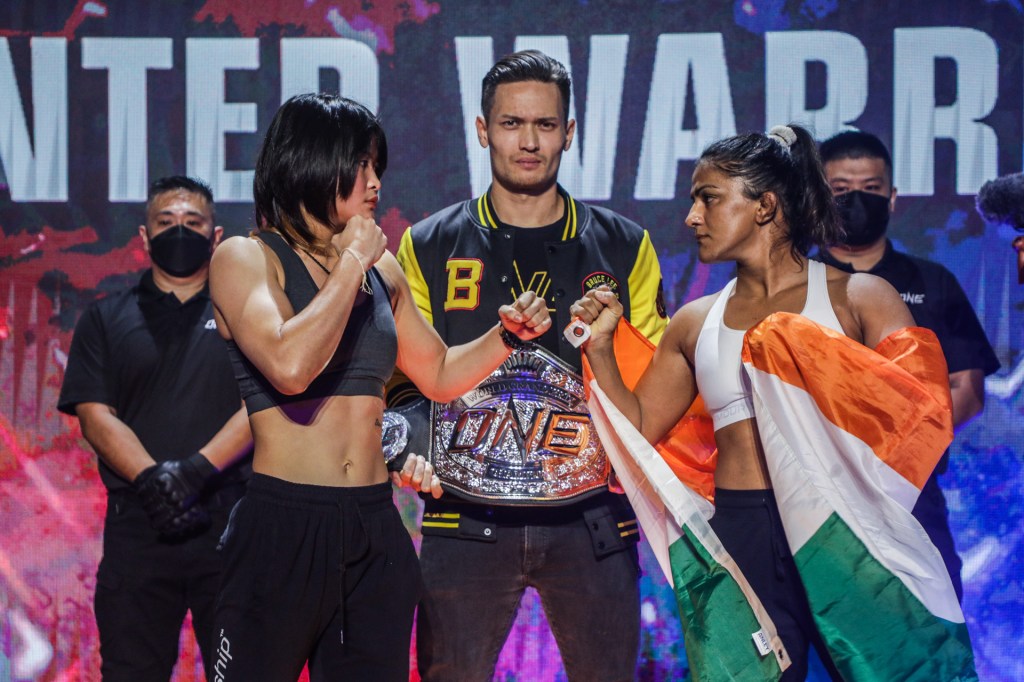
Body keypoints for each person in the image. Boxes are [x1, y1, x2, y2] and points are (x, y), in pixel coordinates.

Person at [571, 125, 972, 680]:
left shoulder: (858, 298)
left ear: (764, 206)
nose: (691, 216)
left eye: (707, 198)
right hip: (743, 533)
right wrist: (602, 350)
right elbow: (639, 426)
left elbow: (921, 416)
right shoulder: (695, 322)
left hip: (846, 531)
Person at [206, 93, 551, 682]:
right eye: (360, 166)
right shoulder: (244, 258)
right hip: (281, 525)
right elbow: (289, 366)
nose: (374, 184)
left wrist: (507, 336)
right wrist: (348, 265)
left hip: (372, 524)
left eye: (376, 168)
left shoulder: (382, 268)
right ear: (312, 165)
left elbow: (439, 375)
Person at [394, 50, 668, 681]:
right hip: (462, 518)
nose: (528, 141)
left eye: (545, 125)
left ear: (569, 133)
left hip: (592, 520)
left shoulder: (625, 245)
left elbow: (657, 387)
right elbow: (404, 380)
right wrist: (408, 444)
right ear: (483, 130)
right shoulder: (428, 243)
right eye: (512, 124)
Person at [57, 176, 253, 680]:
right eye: (166, 223)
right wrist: (153, 481)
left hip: (228, 524)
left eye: (193, 223)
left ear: (216, 236)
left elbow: (263, 404)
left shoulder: (249, 313)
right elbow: (95, 413)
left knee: (245, 670)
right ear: (144, 237)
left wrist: (194, 473)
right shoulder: (105, 317)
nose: (179, 231)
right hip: (137, 530)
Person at [817, 130, 1000, 601]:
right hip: (814, 496)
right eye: (840, 190)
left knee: (929, 635)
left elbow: (967, 387)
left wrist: (899, 447)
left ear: (892, 197)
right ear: (817, 196)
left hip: (912, 494)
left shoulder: (932, 281)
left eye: (872, 188)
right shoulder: (788, 283)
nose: (857, 199)